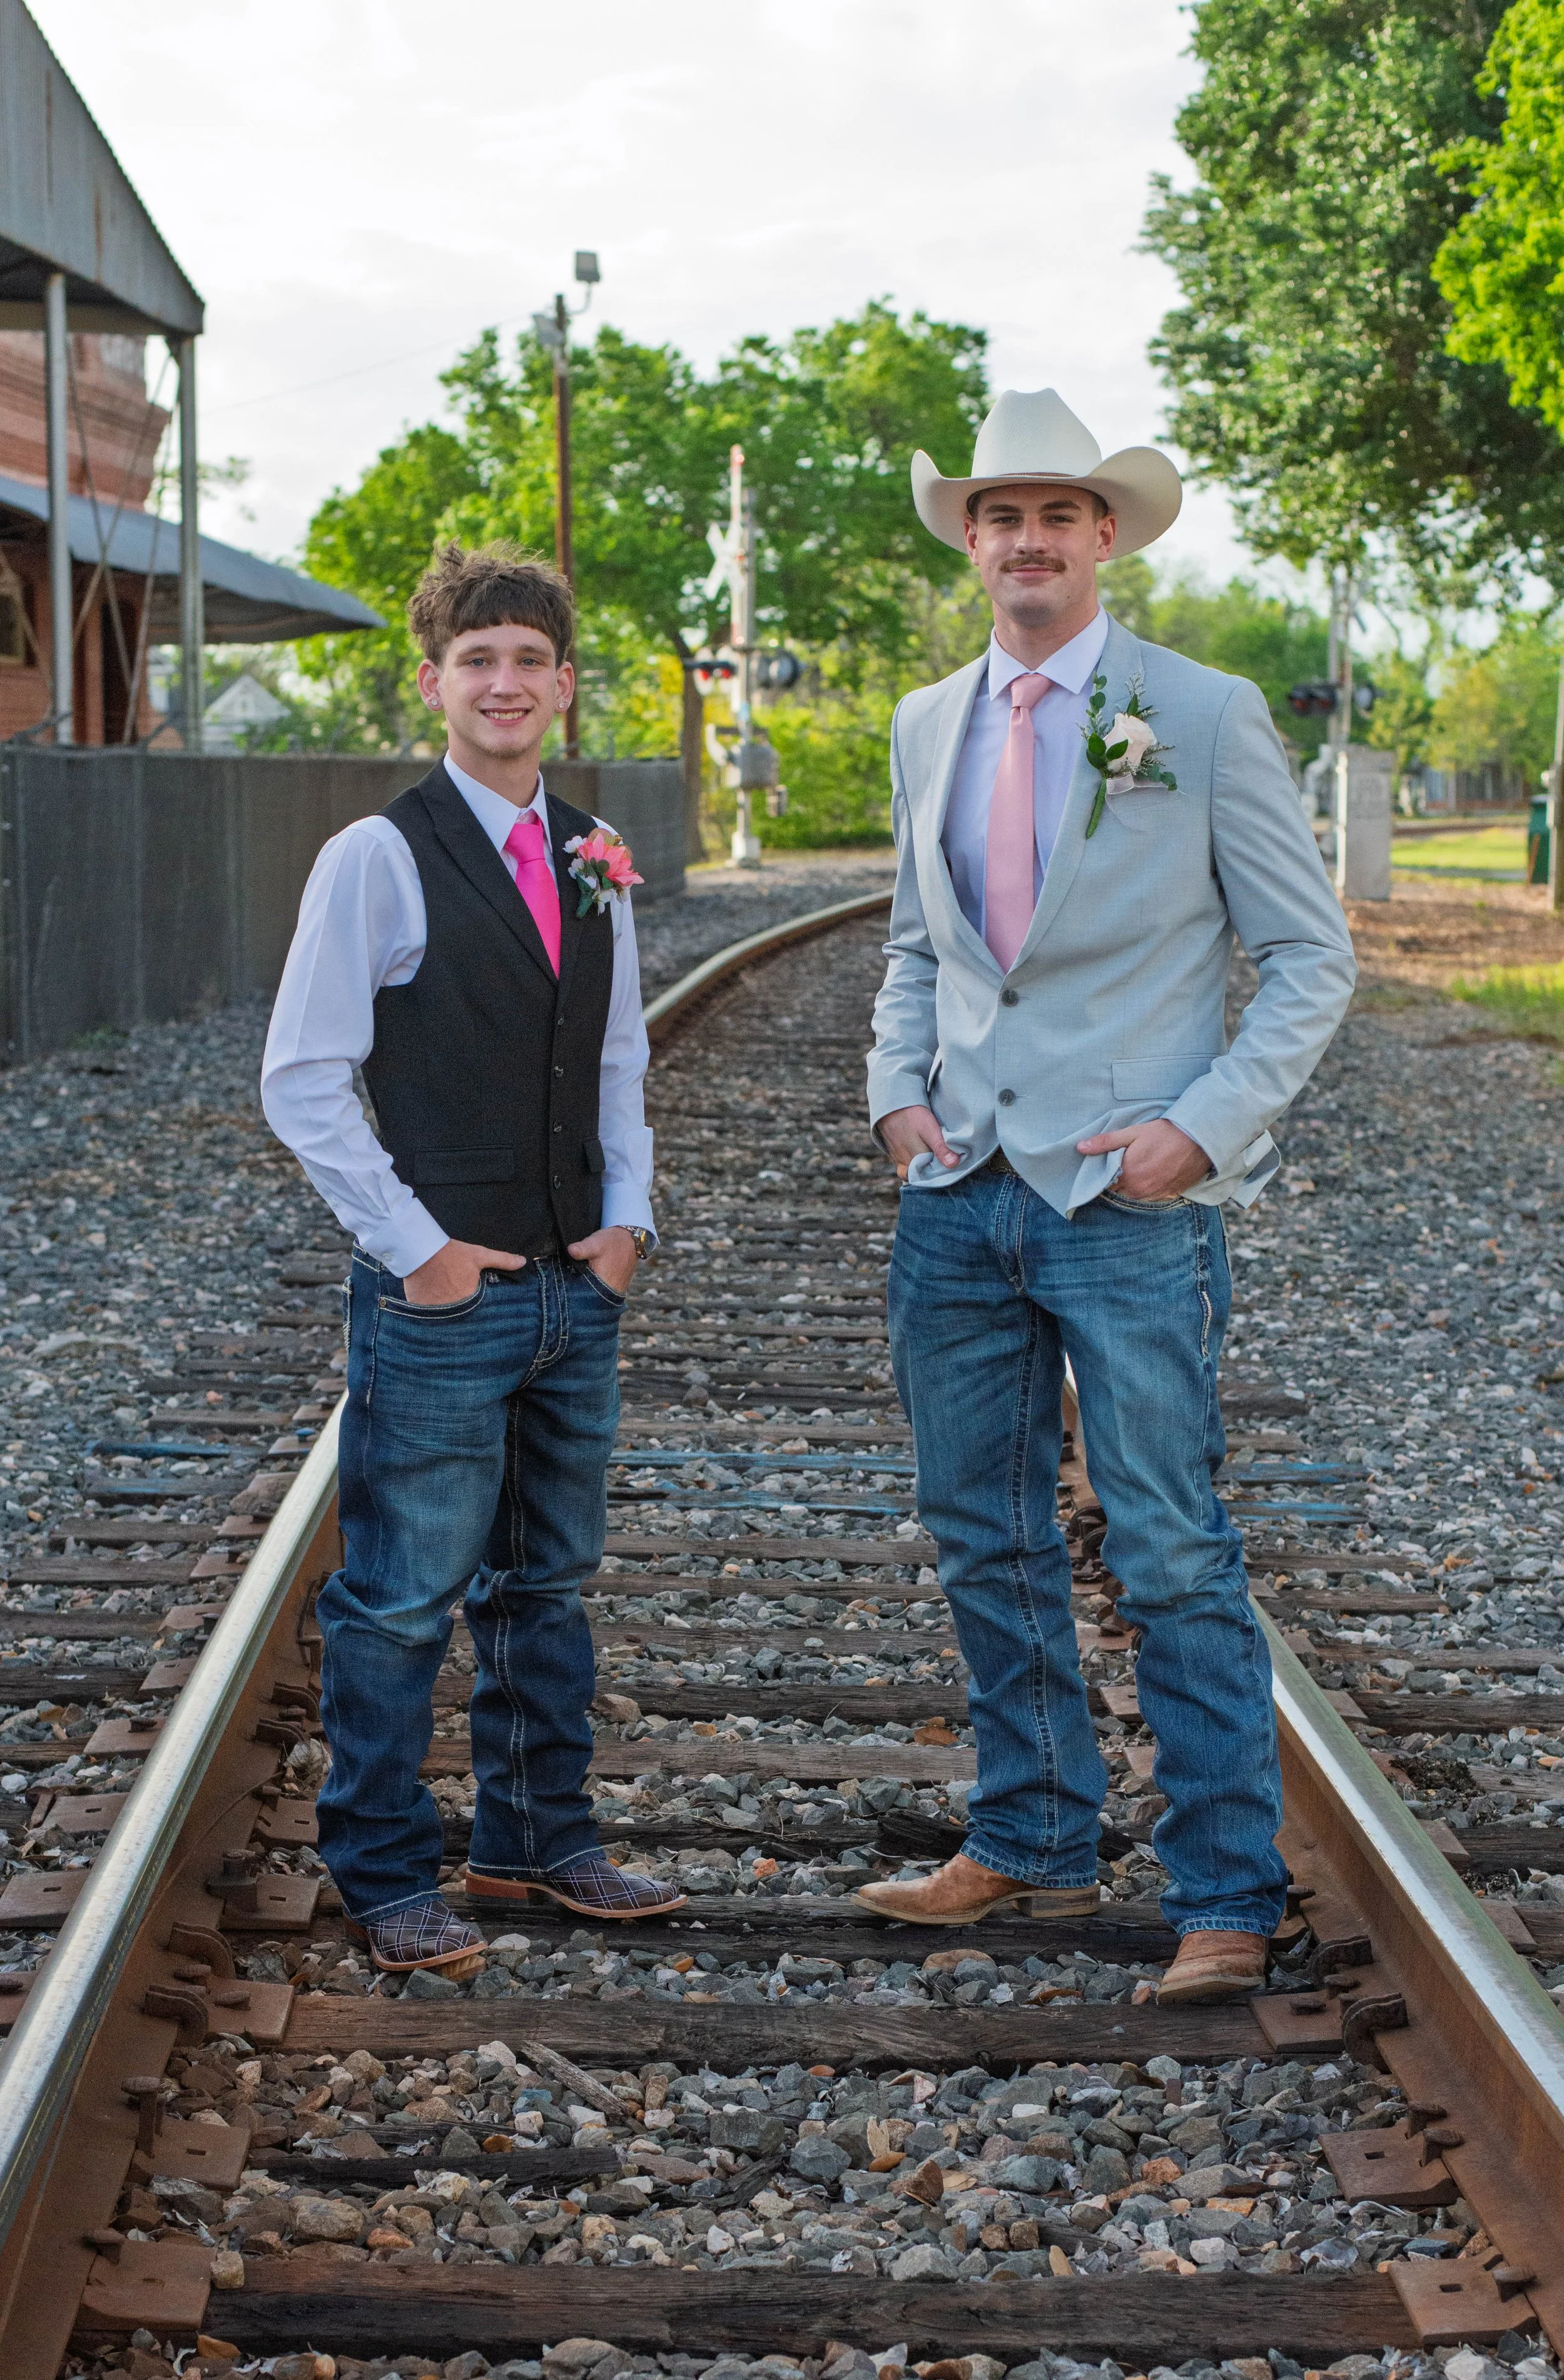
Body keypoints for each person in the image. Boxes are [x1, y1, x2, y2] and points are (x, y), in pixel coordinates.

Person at [857, 390, 1356, 2004]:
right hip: (959, 1197)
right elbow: (914, 950)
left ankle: (1224, 1890)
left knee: (1164, 1547)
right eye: (998, 514)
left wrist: (1201, 1130)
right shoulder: (927, 721)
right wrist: (894, 1092)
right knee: (976, 1533)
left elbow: (1304, 958)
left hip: (1132, 1202)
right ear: (973, 540)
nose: (1025, 540)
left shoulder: (1195, 715)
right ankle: (1029, 1833)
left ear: (1106, 535)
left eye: (1056, 514)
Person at [262, 541, 684, 1978]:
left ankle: (533, 1840)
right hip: (446, 1298)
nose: (502, 683)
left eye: (527, 661)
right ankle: (382, 1872)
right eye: (475, 660)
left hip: (577, 1288)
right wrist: (419, 1251)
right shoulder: (376, 856)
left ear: (563, 687)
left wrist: (627, 1224)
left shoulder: (590, 849)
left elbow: (618, 1053)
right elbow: (302, 1078)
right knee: (396, 1598)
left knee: (546, 1587)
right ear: (432, 681)